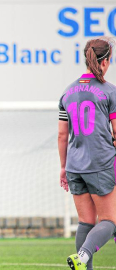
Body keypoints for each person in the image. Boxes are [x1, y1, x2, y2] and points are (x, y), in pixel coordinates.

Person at [58, 38, 116, 270]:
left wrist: (63, 168)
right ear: (104, 62)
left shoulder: (67, 92)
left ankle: (83, 263)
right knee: (110, 221)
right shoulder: (110, 91)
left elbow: (63, 136)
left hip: (74, 165)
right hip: (101, 163)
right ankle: (83, 255)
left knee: (85, 222)